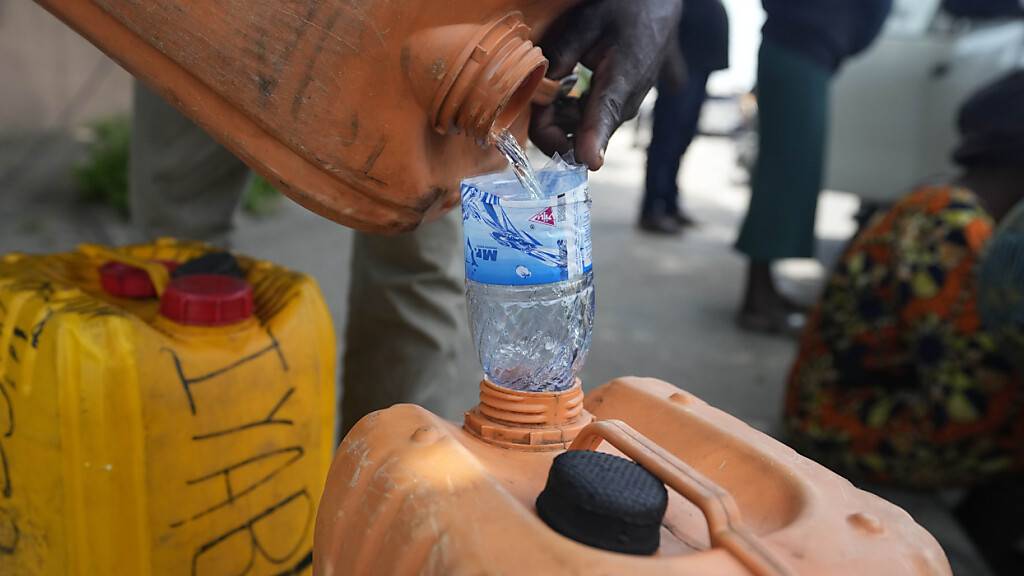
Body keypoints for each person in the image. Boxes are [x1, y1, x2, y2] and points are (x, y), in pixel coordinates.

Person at [131, 0, 685, 436]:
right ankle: (187, 478)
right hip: (208, 19)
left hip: (446, 24)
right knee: (178, 246)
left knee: (414, 254)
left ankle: (377, 495)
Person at [784, 71, 1024, 492]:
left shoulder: (943, 202)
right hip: (836, 427)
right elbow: (969, 403)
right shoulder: (953, 229)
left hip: (828, 409)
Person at [735, 0, 893, 334]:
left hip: (805, 49)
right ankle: (757, 301)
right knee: (783, 177)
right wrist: (829, 35)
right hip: (801, 49)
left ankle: (764, 291)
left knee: (788, 175)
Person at [639, 0, 730, 234]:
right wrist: (672, 60)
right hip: (680, 68)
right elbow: (663, 16)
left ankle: (669, 203)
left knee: (682, 139)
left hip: (700, 66)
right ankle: (652, 210)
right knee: (666, 140)